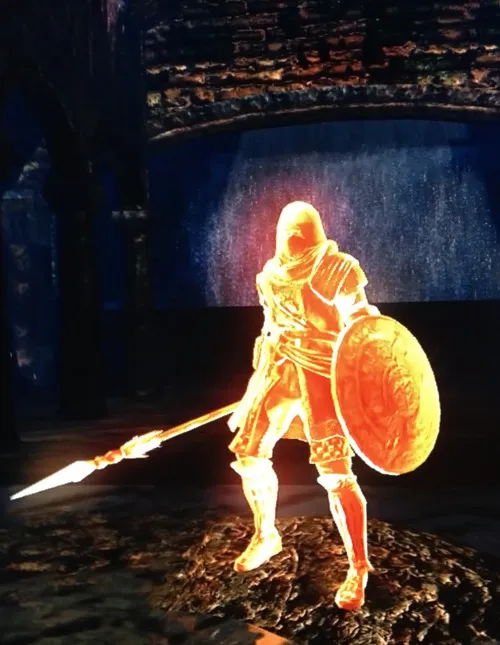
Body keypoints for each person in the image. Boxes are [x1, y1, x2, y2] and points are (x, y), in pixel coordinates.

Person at [228, 201, 380, 611]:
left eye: (301, 229)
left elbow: (360, 320)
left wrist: (368, 366)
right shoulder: (269, 275)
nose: (294, 236)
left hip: (322, 374)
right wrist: (258, 379)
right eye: (288, 230)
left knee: (336, 473)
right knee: (250, 455)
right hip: (281, 371)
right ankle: (266, 535)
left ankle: (359, 566)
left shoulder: (338, 269)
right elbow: (269, 326)